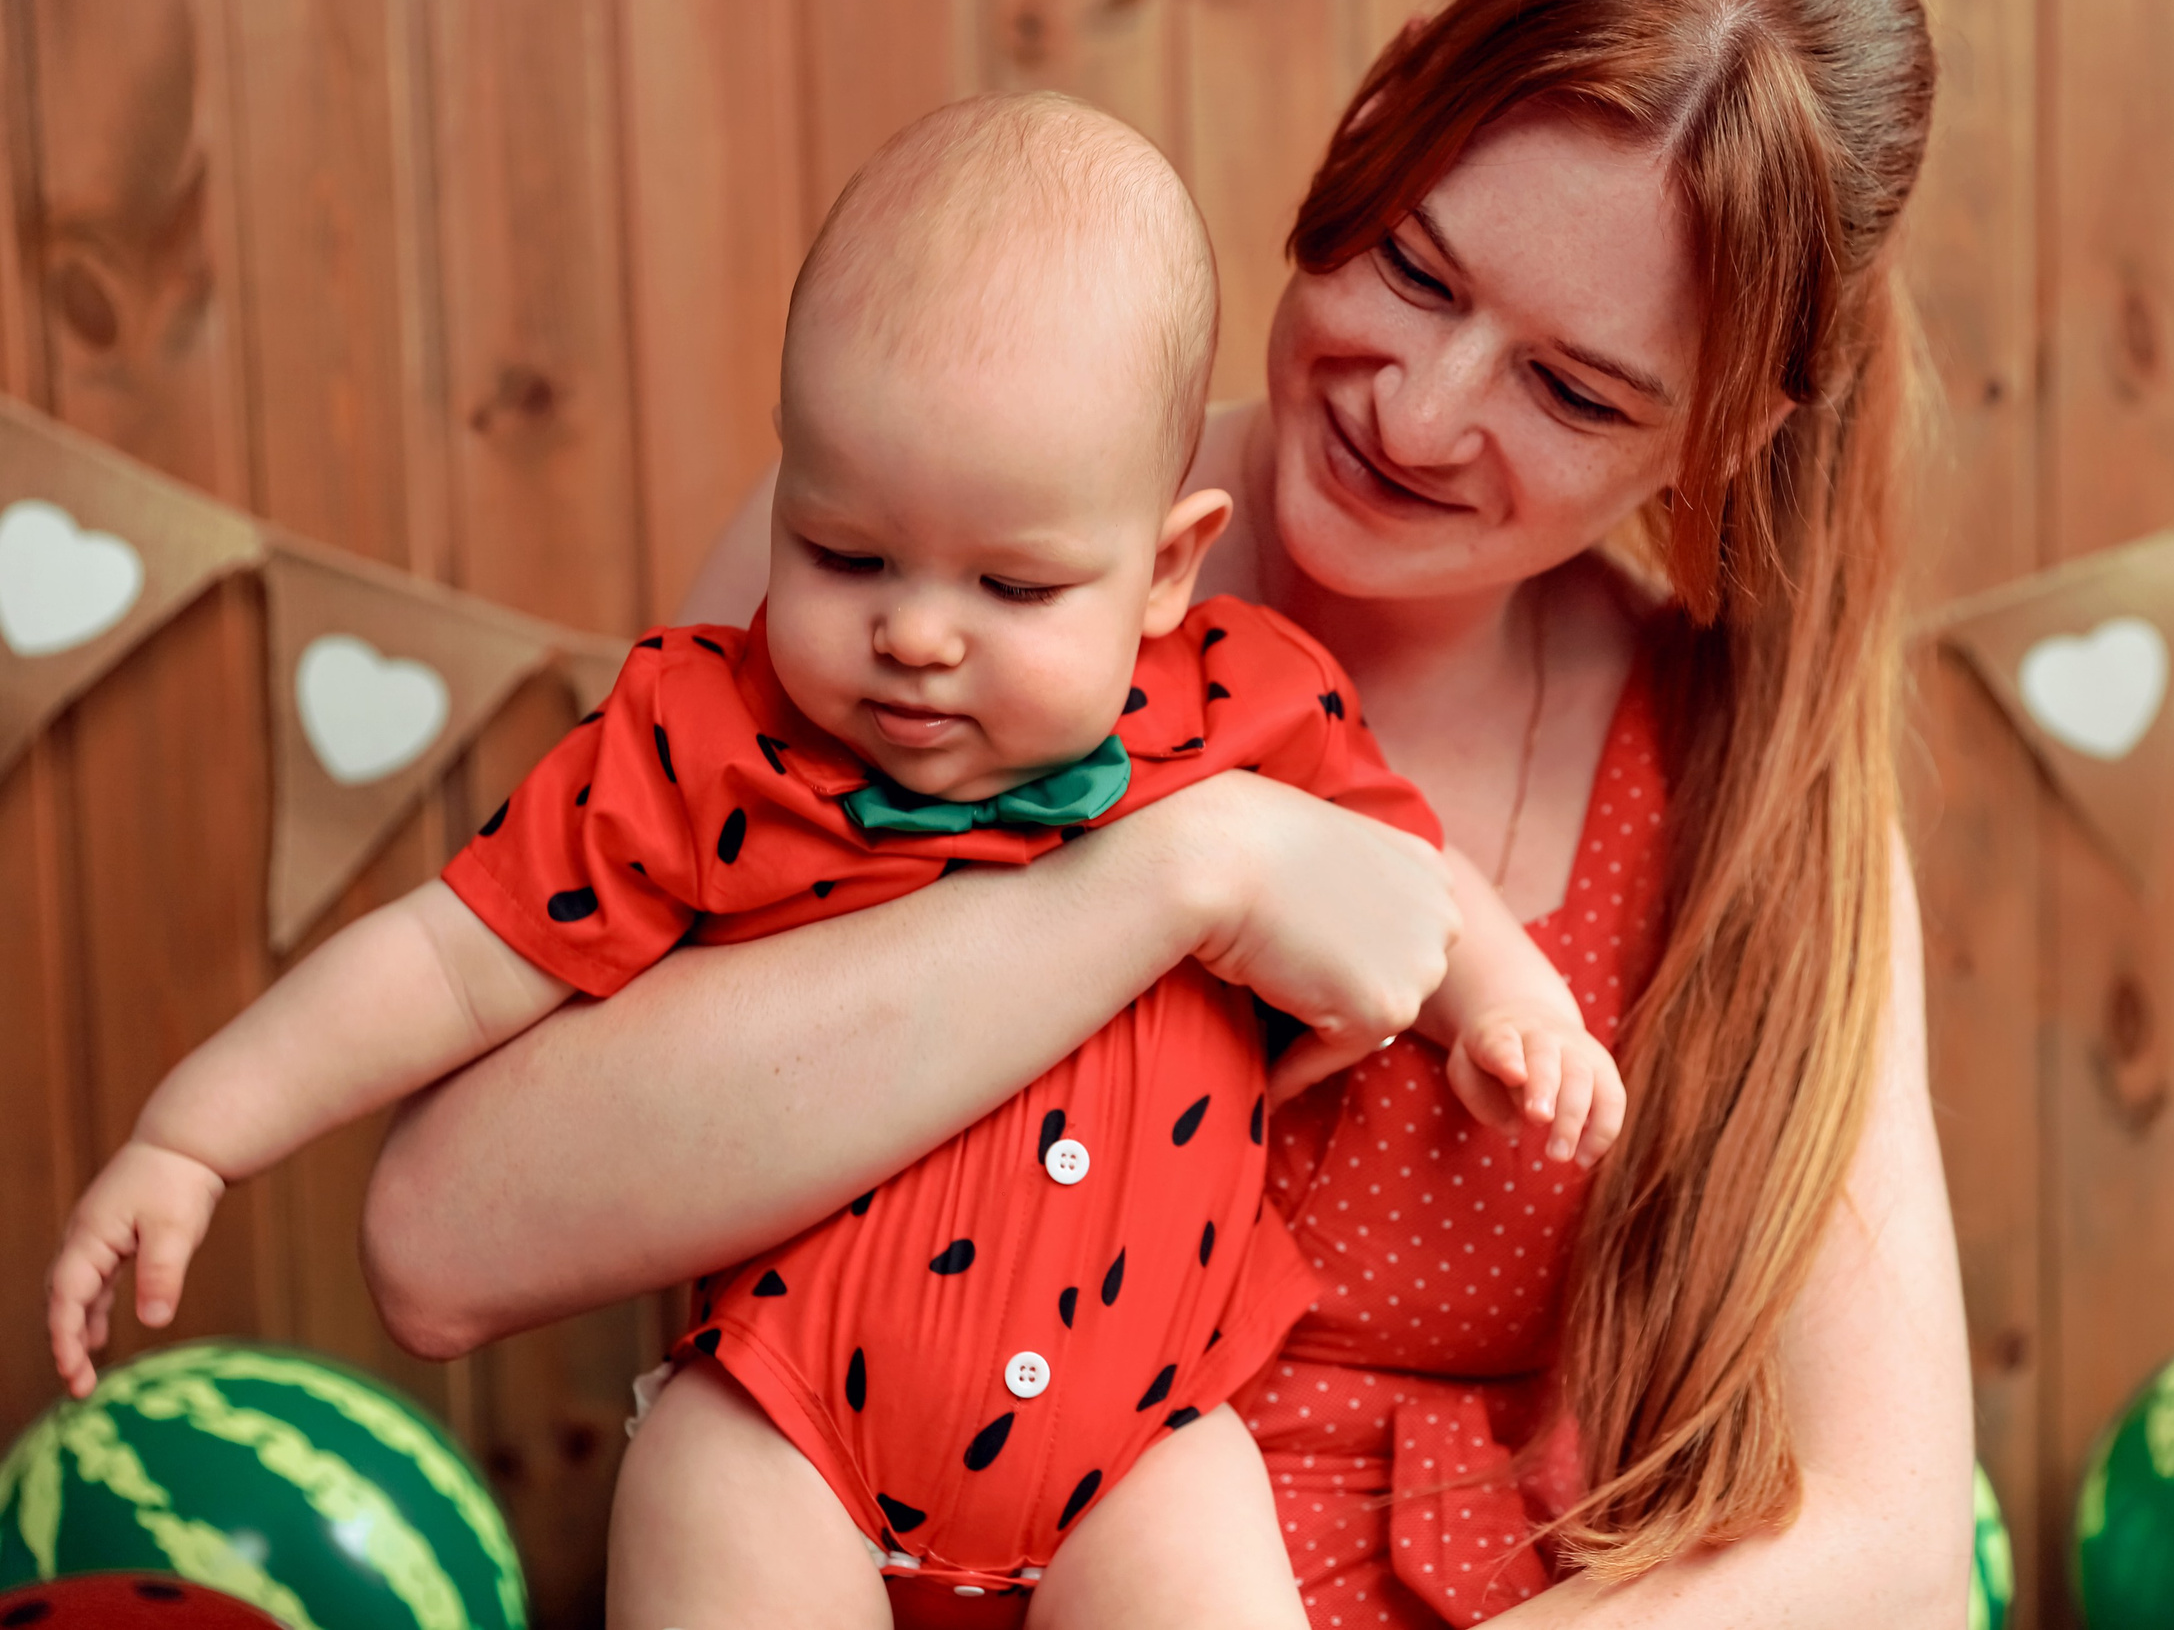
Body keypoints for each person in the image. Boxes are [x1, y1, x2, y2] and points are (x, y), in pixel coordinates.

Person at [365, 0, 1976, 1622]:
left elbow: (1883, 1553)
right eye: (1418, 274)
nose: (1417, 415)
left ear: (1729, 429)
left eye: (1572, 390)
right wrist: (1173, 874)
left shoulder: (1740, 766)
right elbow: (449, 1235)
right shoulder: (907, 580)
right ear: (1376, 114)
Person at [45, 94, 1620, 1629]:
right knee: (702, 1492)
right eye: (844, 553)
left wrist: (1506, 1005)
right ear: (786, 490)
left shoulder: (1247, 701)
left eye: (1011, 584)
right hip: (786, 1426)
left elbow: (1402, 875)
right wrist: (198, 1132)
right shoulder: (701, 740)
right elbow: (455, 954)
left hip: (1150, 1442)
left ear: (1164, 569)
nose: (915, 634)